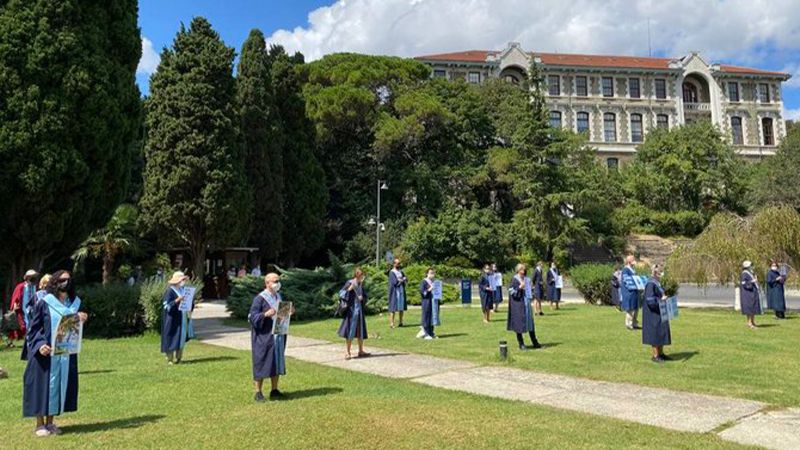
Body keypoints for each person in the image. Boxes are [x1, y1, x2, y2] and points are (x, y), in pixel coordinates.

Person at [23, 270, 88, 436]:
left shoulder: (74, 303)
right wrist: (40, 344)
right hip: (45, 353)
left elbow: (72, 327)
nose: (65, 283)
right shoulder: (45, 302)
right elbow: (34, 328)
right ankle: (39, 424)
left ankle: (50, 423)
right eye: (61, 280)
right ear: (54, 282)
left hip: (64, 352)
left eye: (67, 280)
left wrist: (80, 317)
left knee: (57, 386)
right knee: (42, 386)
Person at [249, 273, 291, 402]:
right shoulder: (260, 299)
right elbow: (252, 317)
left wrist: (287, 312)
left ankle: (274, 390)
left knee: (276, 360)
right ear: (267, 283)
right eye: (275, 281)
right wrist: (265, 314)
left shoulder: (279, 296)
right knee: (261, 360)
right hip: (264, 335)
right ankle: (258, 392)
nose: (277, 283)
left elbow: (281, 315)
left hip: (278, 333)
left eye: (278, 280)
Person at [338, 268, 370, 360]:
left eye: (362, 275)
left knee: (361, 331)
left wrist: (362, 298)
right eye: (361, 275)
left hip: (359, 312)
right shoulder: (350, 282)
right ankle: (347, 352)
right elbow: (341, 294)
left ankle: (360, 351)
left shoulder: (360, 283)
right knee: (350, 331)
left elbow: (364, 296)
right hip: (351, 312)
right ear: (356, 275)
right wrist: (349, 289)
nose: (362, 277)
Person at [507, 264, 541, 350]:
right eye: (522, 270)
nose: (524, 271)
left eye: (524, 270)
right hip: (518, 305)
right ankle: (521, 343)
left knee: (530, 323)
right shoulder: (514, 279)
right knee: (519, 324)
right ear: (518, 270)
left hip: (527, 303)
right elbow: (512, 292)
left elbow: (529, 291)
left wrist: (531, 288)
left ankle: (535, 342)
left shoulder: (526, 279)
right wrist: (519, 287)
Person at [161, 271, 191, 364]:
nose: (183, 281)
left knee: (180, 338)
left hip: (182, 318)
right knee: (171, 337)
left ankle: (179, 358)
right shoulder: (170, 291)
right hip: (172, 319)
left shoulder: (184, 290)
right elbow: (167, 306)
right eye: (182, 280)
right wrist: (178, 300)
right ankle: (170, 359)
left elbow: (189, 303)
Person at [643, 265, 671, 363]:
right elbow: (650, 300)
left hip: (660, 311)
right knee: (655, 333)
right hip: (653, 312)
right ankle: (655, 356)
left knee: (661, 332)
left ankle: (661, 354)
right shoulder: (650, 284)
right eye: (660, 271)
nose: (662, 273)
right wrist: (661, 300)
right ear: (655, 273)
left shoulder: (657, 283)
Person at [9, 270, 39, 343]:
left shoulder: (35, 286)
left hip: (33, 309)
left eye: (34, 277)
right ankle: (10, 342)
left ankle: (31, 339)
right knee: (21, 326)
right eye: (31, 277)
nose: (33, 278)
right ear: (27, 277)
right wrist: (15, 307)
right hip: (22, 310)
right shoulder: (21, 286)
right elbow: (16, 297)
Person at [419, 267, 439, 339]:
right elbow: (422, 292)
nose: (432, 274)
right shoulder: (424, 281)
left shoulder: (435, 282)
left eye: (433, 273)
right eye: (430, 273)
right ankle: (426, 333)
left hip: (433, 302)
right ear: (427, 273)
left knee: (433, 317)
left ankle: (431, 332)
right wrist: (428, 290)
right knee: (426, 316)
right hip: (426, 302)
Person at [621, 255, 641, 330]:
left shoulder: (632, 269)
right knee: (630, 308)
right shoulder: (625, 270)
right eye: (633, 260)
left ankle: (634, 323)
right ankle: (629, 324)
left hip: (635, 292)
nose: (634, 261)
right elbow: (627, 280)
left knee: (636, 308)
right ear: (629, 261)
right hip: (629, 292)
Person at [740, 261, 761, 328]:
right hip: (748, 294)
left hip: (753, 293)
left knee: (753, 308)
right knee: (749, 308)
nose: (752, 266)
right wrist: (752, 282)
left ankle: (753, 321)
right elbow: (744, 283)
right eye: (751, 265)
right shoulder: (745, 274)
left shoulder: (751, 273)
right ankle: (749, 323)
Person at [388, 258, 408, 328]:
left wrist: (403, 280)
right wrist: (402, 280)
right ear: (394, 264)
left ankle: (400, 322)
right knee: (393, 308)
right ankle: (391, 323)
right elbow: (395, 282)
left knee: (401, 307)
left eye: (399, 263)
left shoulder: (401, 272)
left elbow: (405, 279)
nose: (399, 265)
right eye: (397, 263)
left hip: (401, 291)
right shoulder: (392, 272)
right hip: (395, 292)